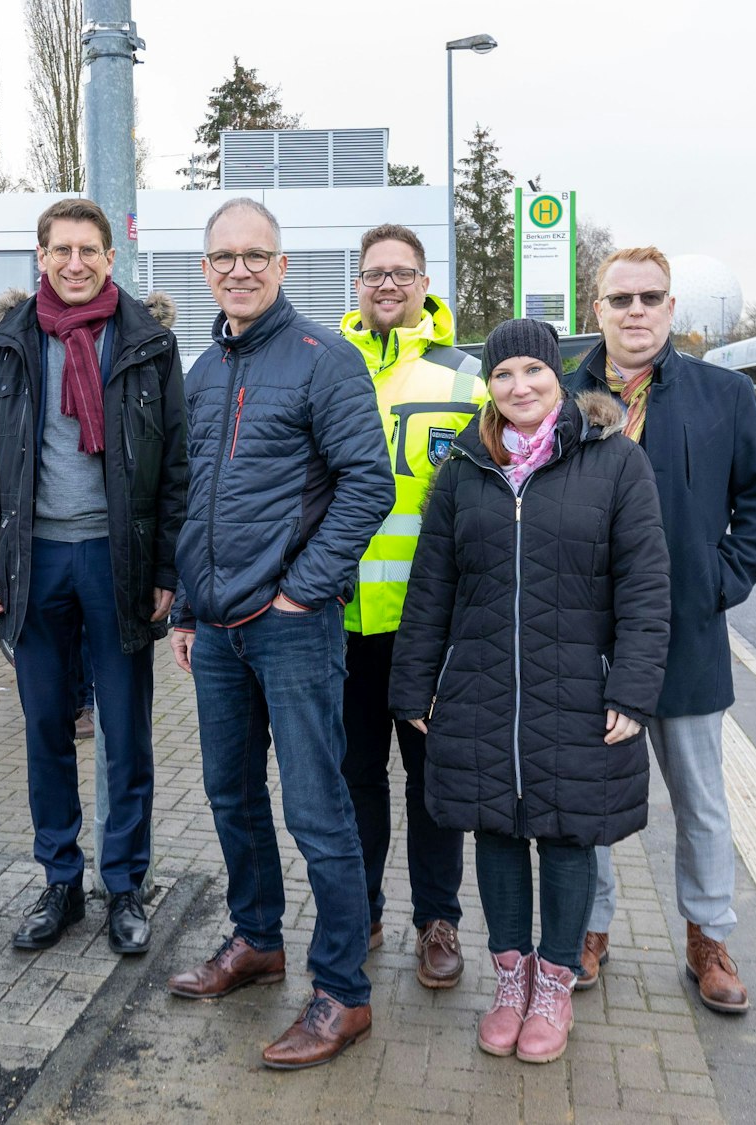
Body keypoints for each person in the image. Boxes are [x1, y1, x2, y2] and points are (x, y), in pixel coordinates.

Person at [392, 317, 670, 1064]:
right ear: (489, 385)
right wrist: (414, 685)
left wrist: (633, 689)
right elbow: (431, 586)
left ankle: (554, 984)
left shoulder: (615, 461)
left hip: (579, 686)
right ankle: (510, 979)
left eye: (533, 371)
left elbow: (646, 585)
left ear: (559, 378)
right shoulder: (464, 468)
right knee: (496, 831)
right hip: (481, 685)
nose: (520, 387)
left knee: (570, 834)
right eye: (504, 374)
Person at [164, 198, 393, 1070]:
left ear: (282, 265)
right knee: (229, 793)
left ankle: (342, 990)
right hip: (218, 629)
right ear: (206, 270)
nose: (240, 269)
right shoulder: (204, 370)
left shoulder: (323, 359)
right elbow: (194, 499)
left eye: (255, 255)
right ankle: (257, 939)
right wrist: (187, 607)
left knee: (317, 809)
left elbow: (367, 484)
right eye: (224, 257)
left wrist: (303, 590)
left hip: (293, 627)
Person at [563, 247, 756, 1012]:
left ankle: (708, 939)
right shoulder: (561, 396)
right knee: (588, 799)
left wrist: (716, 584)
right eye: (620, 298)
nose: (635, 310)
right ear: (597, 308)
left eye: (650, 297)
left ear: (669, 307)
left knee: (701, 801)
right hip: (588, 638)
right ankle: (588, 929)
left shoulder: (723, 395)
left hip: (686, 637)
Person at [0, 197, 188, 955]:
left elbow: (176, 469)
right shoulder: (6, 344)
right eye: (60, 249)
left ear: (109, 258)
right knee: (44, 729)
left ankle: (124, 885)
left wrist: (166, 569)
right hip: (34, 561)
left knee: (125, 732)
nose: (74, 262)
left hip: (116, 560)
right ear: (40, 257)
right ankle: (60, 880)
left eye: (88, 249)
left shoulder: (149, 343)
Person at [335, 223, 486, 989]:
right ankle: (359, 909)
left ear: (425, 284)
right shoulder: (326, 365)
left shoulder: (468, 378)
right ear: (357, 285)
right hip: (341, 619)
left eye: (402, 272)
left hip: (431, 625)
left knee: (433, 783)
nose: (387, 284)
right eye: (374, 273)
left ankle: (438, 921)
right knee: (355, 776)